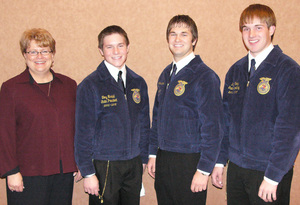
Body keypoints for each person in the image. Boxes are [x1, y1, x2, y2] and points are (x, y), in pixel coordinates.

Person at [212, 4, 300, 205]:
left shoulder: (288, 71)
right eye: (246, 28)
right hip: (236, 169)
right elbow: (226, 122)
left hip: (268, 172)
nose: (251, 34)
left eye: (258, 27)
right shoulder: (235, 71)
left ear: (271, 29)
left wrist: (273, 176)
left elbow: (291, 130)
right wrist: (219, 161)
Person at [147, 15, 224, 205]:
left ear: (194, 40)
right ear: (167, 40)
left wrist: (204, 169)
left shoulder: (205, 76)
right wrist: (153, 154)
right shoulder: (166, 74)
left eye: (184, 34)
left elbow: (213, 128)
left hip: (190, 162)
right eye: (173, 34)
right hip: (164, 159)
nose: (177, 39)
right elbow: (157, 118)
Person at [0, 28, 78, 205]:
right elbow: (4, 134)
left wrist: (78, 162)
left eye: (45, 51)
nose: (39, 56)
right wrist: (11, 171)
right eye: (33, 51)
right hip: (27, 174)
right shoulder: (11, 88)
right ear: (24, 55)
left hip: (63, 173)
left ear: (53, 54)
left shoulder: (68, 86)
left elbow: (77, 127)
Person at [75, 25, 150, 205]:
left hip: (133, 163)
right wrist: (88, 172)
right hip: (104, 164)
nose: (116, 51)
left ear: (128, 47)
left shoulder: (138, 82)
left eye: (120, 45)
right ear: (101, 50)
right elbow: (82, 133)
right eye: (109, 47)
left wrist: (143, 157)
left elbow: (144, 123)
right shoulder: (90, 85)